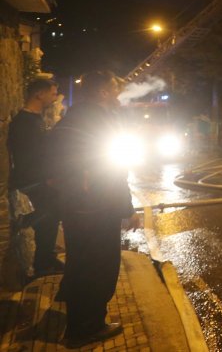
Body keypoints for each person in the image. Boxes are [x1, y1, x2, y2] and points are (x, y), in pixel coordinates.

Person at [49, 71, 141, 348]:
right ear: (102, 93)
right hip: (97, 208)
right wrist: (127, 209)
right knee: (99, 268)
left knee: (79, 263)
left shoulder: (70, 119)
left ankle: (80, 320)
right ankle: (87, 328)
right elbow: (114, 171)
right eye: (114, 90)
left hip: (74, 206)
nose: (117, 96)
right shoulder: (102, 123)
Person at [7, 77, 62, 278]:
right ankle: (41, 262)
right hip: (32, 179)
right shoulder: (24, 122)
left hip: (40, 178)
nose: (55, 98)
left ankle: (45, 260)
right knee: (52, 211)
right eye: (53, 93)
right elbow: (26, 157)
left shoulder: (36, 118)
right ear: (40, 94)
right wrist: (47, 179)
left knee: (51, 216)